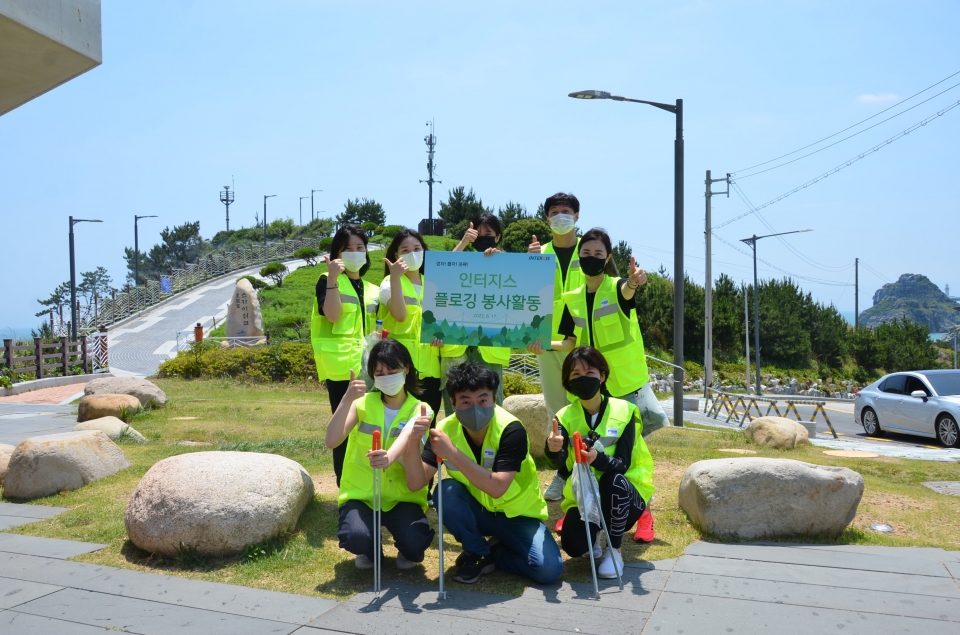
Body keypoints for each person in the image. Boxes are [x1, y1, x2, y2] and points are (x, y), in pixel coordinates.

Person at [533, 227, 667, 542]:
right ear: (578, 259)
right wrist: (543, 344)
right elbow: (568, 342)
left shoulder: (617, 286)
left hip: (623, 383)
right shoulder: (571, 297)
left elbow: (629, 290)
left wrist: (634, 281)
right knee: (591, 449)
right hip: (592, 385)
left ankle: (643, 512)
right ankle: (580, 508)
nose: (591, 258)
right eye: (586, 253)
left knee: (632, 453)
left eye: (598, 254)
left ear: (608, 258)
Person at [403, 361, 563, 585]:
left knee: (548, 570)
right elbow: (415, 482)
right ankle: (478, 552)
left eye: (482, 400)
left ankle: (495, 553)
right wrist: (412, 441)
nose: (475, 408)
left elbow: (497, 488)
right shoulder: (443, 430)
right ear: (453, 403)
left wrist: (453, 452)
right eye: (466, 402)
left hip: (519, 515)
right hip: (478, 512)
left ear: (494, 399)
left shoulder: (511, 429)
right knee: (445, 491)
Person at [325, 338, 435, 571]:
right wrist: (346, 399)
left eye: (392, 370)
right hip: (361, 494)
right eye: (379, 373)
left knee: (416, 543)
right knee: (355, 536)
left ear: (406, 369)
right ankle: (370, 550)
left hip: (401, 498)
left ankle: (407, 548)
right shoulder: (362, 404)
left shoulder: (421, 409)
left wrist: (389, 457)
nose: (386, 377)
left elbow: (406, 436)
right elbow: (331, 440)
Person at [545, 346, 654, 578]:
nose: (583, 379)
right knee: (574, 546)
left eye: (590, 373)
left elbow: (623, 464)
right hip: (585, 498)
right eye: (575, 375)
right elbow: (563, 466)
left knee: (613, 480)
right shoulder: (563, 416)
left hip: (624, 494)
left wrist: (598, 459)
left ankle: (614, 550)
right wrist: (552, 450)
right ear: (567, 381)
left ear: (602, 376)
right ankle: (593, 536)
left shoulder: (626, 410)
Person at [311, 224, 380, 486]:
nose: (354, 252)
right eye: (347, 248)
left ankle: (366, 479)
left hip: (370, 368)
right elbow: (332, 315)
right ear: (337, 252)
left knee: (367, 425)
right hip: (342, 368)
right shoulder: (327, 280)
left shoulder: (372, 288)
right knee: (343, 428)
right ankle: (344, 483)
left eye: (359, 247)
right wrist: (331, 279)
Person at [527, 193, 584, 501]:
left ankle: (588, 474)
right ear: (547, 219)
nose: (560, 216)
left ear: (577, 216)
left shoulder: (589, 250)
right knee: (557, 413)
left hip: (584, 346)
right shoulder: (540, 253)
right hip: (548, 345)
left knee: (588, 409)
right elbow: (525, 297)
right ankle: (562, 474)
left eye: (566, 211)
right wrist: (529, 263)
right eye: (554, 212)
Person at [440, 212, 512, 410]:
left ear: (498, 237)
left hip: (490, 348)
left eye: (487, 232)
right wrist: (463, 242)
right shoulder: (462, 260)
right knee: (455, 406)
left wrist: (502, 261)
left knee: (490, 407)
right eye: (477, 232)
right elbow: (441, 272)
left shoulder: (506, 261)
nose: (482, 236)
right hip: (456, 348)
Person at [379, 228, 443, 421]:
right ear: (396, 255)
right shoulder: (389, 283)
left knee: (427, 423)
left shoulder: (433, 283)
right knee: (402, 425)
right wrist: (396, 277)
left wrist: (442, 337)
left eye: (417, 248)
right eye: (405, 250)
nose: (412, 254)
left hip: (431, 368)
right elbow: (399, 315)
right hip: (400, 369)